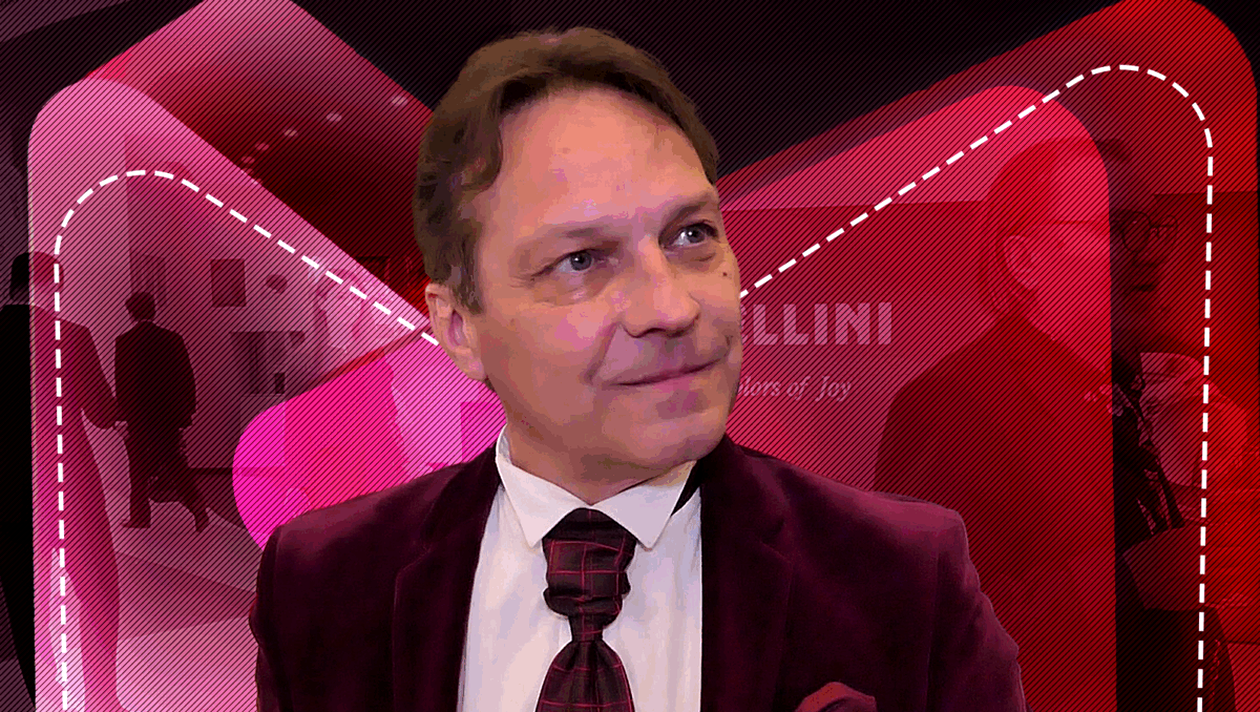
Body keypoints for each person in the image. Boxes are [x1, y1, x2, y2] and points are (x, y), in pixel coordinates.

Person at [249, 27, 1027, 712]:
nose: (671, 307)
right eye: (580, 260)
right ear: (459, 328)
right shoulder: (324, 588)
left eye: (691, 236)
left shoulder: (904, 581)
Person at [872, 137, 1236, 711]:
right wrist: (1131, 581)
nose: (1152, 252)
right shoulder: (952, 403)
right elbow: (923, 626)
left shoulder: (1114, 389)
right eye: (1116, 226)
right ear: (1024, 261)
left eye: (1153, 226)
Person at [1, 251, 132, 712]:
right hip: (68, 488)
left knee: (25, 600)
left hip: (8, 494)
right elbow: (100, 410)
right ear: (53, 288)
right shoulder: (71, 335)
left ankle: (45, 699)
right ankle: (101, 697)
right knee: (97, 589)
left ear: (12, 286)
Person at [114, 291, 209, 532]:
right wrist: (187, 411)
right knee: (175, 464)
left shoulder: (124, 342)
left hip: (138, 416)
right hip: (167, 417)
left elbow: (122, 384)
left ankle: (140, 517)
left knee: (137, 468)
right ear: (154, 311)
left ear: (130, 313)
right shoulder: (173, 339)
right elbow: (186, 377)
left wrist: (122, 417)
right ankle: (197, 507)